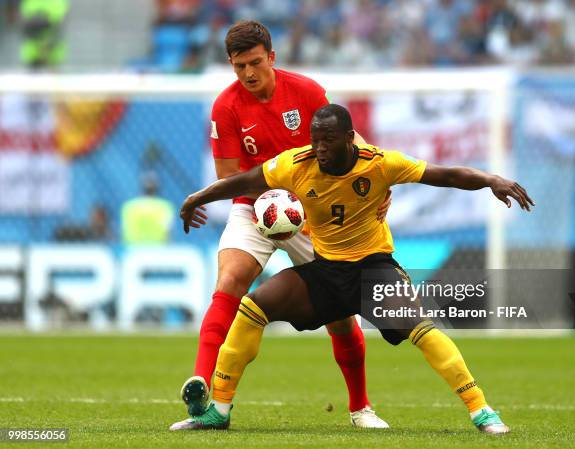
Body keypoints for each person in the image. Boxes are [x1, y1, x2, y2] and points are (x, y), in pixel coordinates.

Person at [179, 104, 535, 433]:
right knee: (254, 307)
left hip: (373, 270)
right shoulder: (295, 163)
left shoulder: (380, 163)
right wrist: (199, 196)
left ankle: (481, 409)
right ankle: (219, 410)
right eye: (315, 139)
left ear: (350, 139)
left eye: (328, 140)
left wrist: (491, 180)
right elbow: (246, 181)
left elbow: (446, 175)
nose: (319, 147)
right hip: (326, 272)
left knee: (421, 327)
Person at [170, 21, 391, 431]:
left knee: (340, 313)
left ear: (271, 57)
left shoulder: (305, 91)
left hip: (312, 212)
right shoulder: (226, 107)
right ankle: (201, 386)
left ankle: (361, 406)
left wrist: (377, 184)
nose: (249, 74)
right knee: (230, 280)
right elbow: (230, 176)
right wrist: (250, 202)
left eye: (255, 63)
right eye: (239, 67)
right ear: (230, 65)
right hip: (255, 207)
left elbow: (353, 143)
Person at [121, 174, 174, 244]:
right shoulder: (165, 207)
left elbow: (125, 231)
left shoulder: (129, 207)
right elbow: (168, 233)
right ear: (157, 188)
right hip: (157, 249)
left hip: (134, 249)